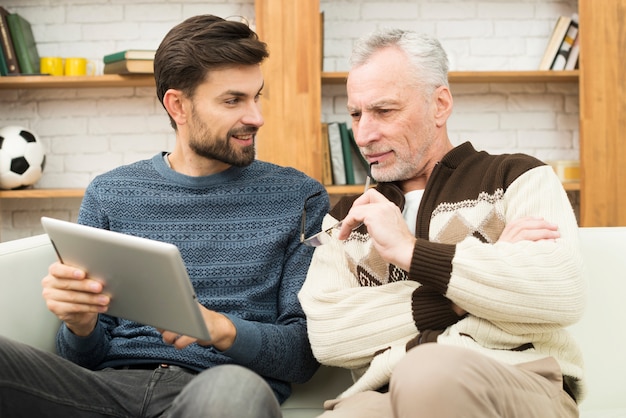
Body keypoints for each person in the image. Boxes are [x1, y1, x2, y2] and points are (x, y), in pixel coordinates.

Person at [0, 14, 329, 418]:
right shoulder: (110, 194)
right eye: (233, 100)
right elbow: (81, 358)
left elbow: (303, 356)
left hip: (219, 390)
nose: (256, 117)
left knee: (234, 391)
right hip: (107, 390)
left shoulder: (298, 198)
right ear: (178, 105)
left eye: (256, 96)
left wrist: (222, 330)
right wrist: (81, 325)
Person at [298, 28, 585, 418]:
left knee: (427, 372)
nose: (363, 134)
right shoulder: (347, 218)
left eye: (384, 111)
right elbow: (329, 335)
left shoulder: (516, 177)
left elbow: (559, 291)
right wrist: (463, 292)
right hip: (385, 393)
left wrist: (411, 252)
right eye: (354, 114)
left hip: (516, 379)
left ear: (440, 104)